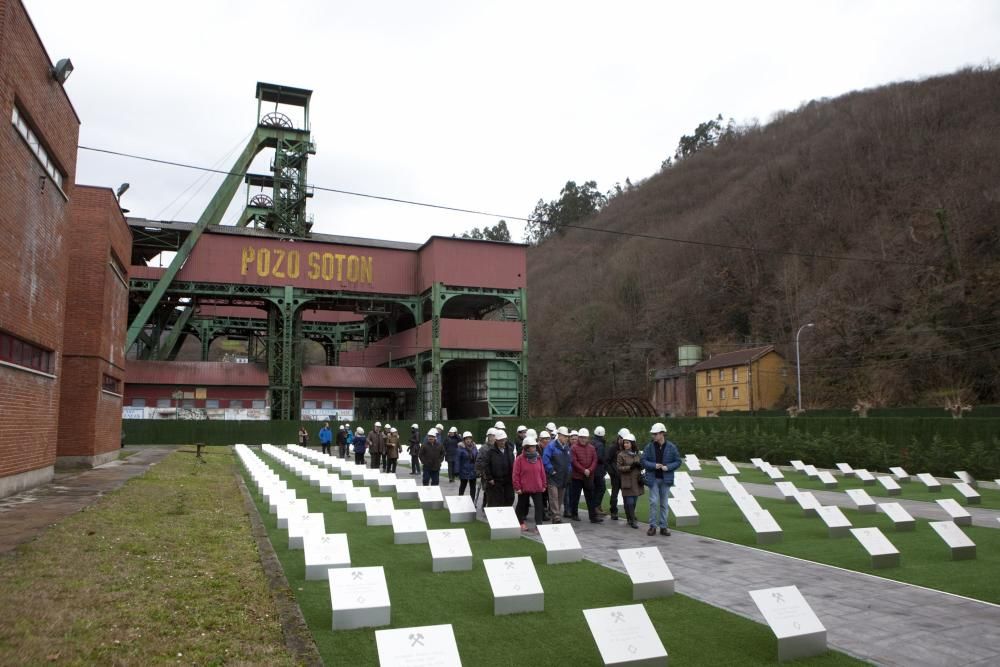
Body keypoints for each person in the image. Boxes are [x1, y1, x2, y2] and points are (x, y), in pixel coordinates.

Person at [641, 422, 681, 536]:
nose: (653, 436)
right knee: (653, 502)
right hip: (653, 479)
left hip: (666, 479)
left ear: (662, 434)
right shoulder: (649, 447)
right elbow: (643, 461)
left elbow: (678, 461)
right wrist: (654, 465)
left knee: (664, 503)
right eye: (652, 434)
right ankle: (652, 526)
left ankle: (663, 527)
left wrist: (668, 467)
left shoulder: (671, 447)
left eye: (655, 434)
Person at [513, 436, 547, 531]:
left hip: (537, 487)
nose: (534, 448)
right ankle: (520, 522)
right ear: (526, 447)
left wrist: (544, 484)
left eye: (535, 446)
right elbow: (515, 474)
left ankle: (539, 525)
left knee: (539, 506)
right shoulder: (519, 459)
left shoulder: (538, 458)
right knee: (521, 505)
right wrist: (517, 487)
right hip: (523, 488)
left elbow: (542, 472)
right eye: (532, 446)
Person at [570, 427, 602, 523]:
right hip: (577, 476)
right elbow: (574, 461)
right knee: (575, 497)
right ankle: (574, 514)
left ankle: (593, 517)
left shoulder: (592, 448)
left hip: (588, 476)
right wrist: (584, 470)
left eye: (585, 437)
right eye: (582, 437)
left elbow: (595, 460)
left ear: (588, 438)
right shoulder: (573, 448)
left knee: (590, 497)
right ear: (579, 437)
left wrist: (590, 470)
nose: (583, 439)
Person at [542, 427, 572, 523]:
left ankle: (556, 513)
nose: (566, 438)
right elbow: (545, 459)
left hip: (563, 477)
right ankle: (556, 516)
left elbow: (569, 461)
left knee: (560, 498)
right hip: (553, 477)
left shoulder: (567, 447)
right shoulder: (551, 446)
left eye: (567, 436)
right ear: (559, 436)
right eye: (565, 436)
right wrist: (551, 470)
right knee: (553, 497)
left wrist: (569, 471)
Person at [616, 431, 643, 529]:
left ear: (632, 443)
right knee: (629, 501)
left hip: (636, 481)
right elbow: (618, 467)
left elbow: (642, 464)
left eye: (628, 442)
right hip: (627, 480)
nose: (626, 444)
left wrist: (641, 466)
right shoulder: (621, 455)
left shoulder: (637, 454)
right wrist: (629, 467)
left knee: (634, 501)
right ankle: (632, 520)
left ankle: (629, 518)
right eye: (625, 442)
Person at [482, 429, 515, 510]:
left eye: (504, 440)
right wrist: (489, 478)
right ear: (496, 441)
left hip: (508, 479)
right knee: (496, 500)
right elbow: (486, 465)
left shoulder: (510, 450)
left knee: (510, 498)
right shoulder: (490, 452)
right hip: (495, 481)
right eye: (500, 441)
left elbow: (513, 464)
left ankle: (505, 513)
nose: (503, 442)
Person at [606, 428, 626, 520]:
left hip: (625, 475)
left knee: (627, 495)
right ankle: (613, 511)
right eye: (622, 439)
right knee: (614, 494)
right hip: (615, 476)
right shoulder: (613, 448)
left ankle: (630, 514)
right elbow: (607, 461)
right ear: (619, 437)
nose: (623, 441)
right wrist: (612, 473)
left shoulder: (627, 447)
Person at [475, 428, 497, 511]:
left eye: (494, 436)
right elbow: (478, 460)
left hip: (495, 473)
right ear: (488, 437)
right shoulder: (484, 448)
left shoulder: (497, 447)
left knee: (493, 491)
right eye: (491, 436)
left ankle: (490, 506)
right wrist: (479, 471)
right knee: (487, 490)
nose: (493, 438)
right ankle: (485, 506)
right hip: (485, 473)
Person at [455, 431, 478, 498]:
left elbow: (477, 457)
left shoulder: (474, 447)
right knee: (463, 486)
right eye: (466, 439)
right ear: (464, 440)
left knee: (473, 488)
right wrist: (456, 471)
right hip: (464, 470)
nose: (468, 440)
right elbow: (457, 460)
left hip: (473, 470)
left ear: (471, 439)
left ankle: (472, 502)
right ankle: (460, 499)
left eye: (469, 439)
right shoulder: (460, 448)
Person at [591, 425, 608, 516]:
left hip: (592, 470)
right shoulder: (600, 445)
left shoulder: (591, 442)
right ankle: (596, 507)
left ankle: (596, 506)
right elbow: (600, 458)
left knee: (595, 489)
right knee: (601, 488)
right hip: (598, 470)